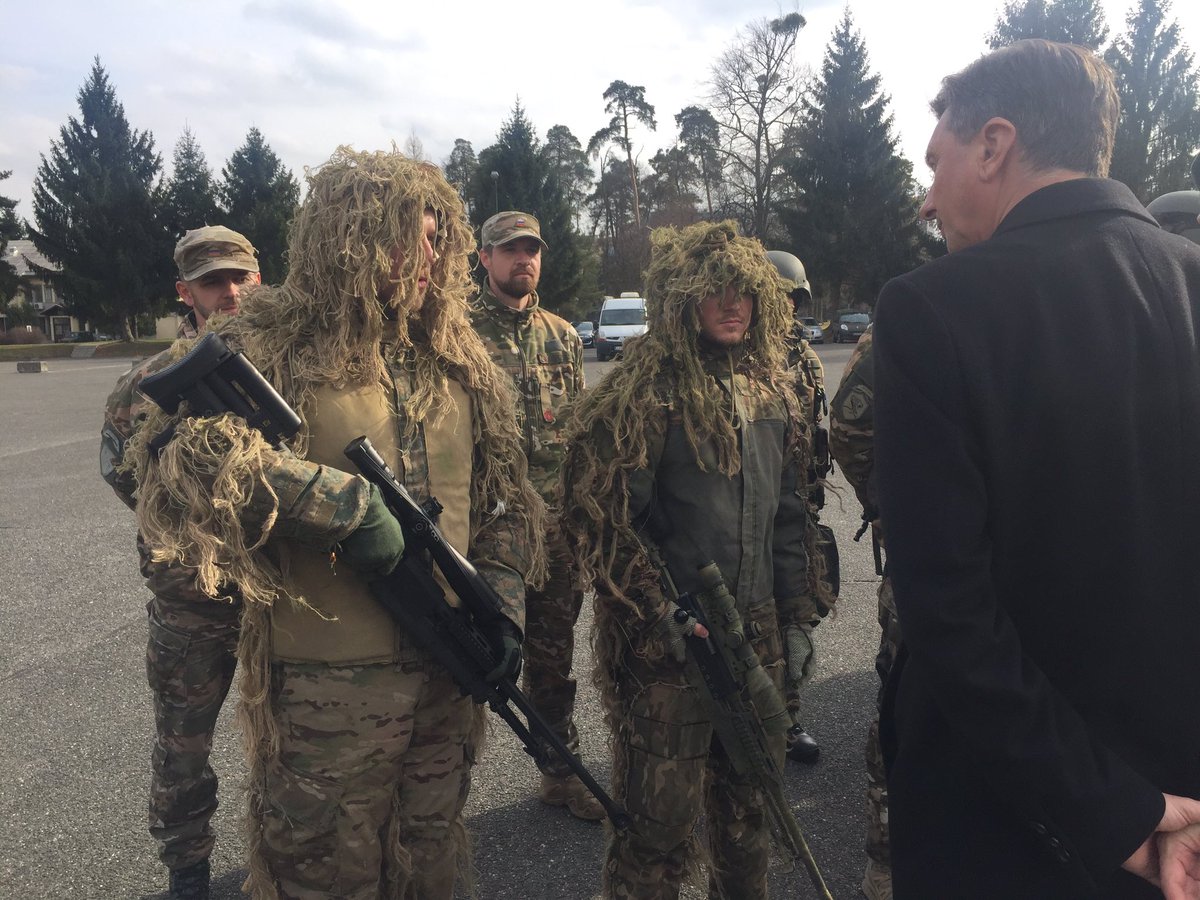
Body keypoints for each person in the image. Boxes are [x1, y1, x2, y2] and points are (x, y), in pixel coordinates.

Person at [123, 149, 544, 899]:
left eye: (434, 239)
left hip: (447, 670)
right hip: (328, 688)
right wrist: (343, 508)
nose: (426, 258)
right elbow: (182, 460)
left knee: (429, 858)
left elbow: (505, 502)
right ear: (350, 239)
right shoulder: (274, 346)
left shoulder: (459, 361)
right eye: (404, 238)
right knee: (321, 872)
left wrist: (505, 606)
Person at [872, 40, 1200, 898]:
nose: (927, 198)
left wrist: (1115, 811)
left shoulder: (934, 309)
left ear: (995, 145)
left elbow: (951, 617)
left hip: (1013, 829)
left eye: (935, 162)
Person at [562, 220, 832, 899]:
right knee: (656, 834)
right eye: (716, 291)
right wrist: (665, 616)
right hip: (670, 650)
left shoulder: (774, 391)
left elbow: (792, 515)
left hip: (757, 635)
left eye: (745, 291)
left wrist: (796, 620)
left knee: (748, 817)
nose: (733, 304)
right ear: (684, 299)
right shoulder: (644, 394)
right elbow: (606, 522)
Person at [101, 225, 261, 899]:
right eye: (211, 282)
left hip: (279, 587)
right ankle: (187, 867)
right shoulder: (145, 384)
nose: (229, 293)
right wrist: (189, 513)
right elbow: (121, 474)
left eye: (239, 278)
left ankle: (287, 856)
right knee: (183, 744)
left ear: (258, 279)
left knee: (295, 737)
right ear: (184, 292)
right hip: (191, 596)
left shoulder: (293, 370)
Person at [468, 210, 601, 820]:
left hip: (554, 526)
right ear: (485, 258)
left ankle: (558, 771)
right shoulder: (458, 333)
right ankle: (438, 793)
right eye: (510, 249)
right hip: (482, 527)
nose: (524, 259)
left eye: (532, 250)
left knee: (553, 658)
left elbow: (576, 428)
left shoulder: (563, 336)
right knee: (472, 658)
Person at [828, 325, 897, 900]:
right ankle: (888, 861)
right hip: (934, 552)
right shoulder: (915, 311)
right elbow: (849, 428)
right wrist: (885, 503)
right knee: (905, 699)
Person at [766, 249, 836, 766]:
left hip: (797, 510)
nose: (786, 307)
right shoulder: (737, 356)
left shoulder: (806, 359)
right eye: (778, 297)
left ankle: (788, 719)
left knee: (795, 614)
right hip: (749, 509)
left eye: (793, 298)